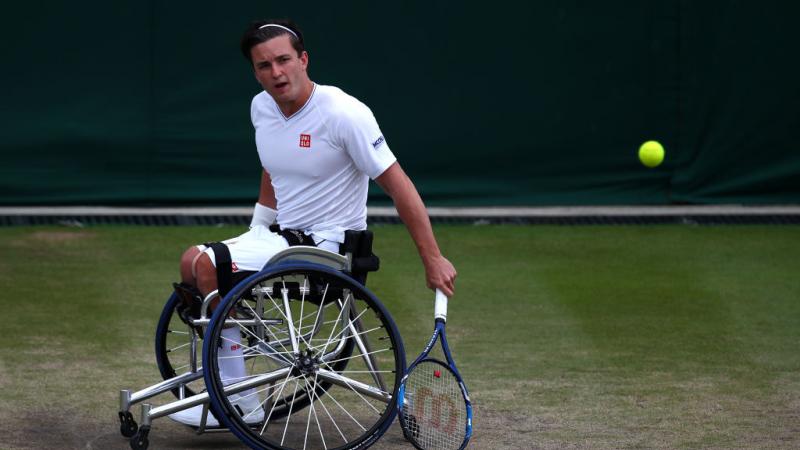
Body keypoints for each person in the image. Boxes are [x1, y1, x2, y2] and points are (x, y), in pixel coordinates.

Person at [168, 19, 457, 427]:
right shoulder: (261, 107)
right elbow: (273, 167)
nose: (277, 73)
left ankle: (237, 400)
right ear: (255, 72)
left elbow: (400, 187)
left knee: (203, 265)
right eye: (264, 65)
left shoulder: (345, 114)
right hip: (283, 238)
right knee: (193, 264)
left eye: (284, 60)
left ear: (304, 60)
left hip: (328, 251)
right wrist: (258, 226)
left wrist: (433, 258)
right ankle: (236, 386)